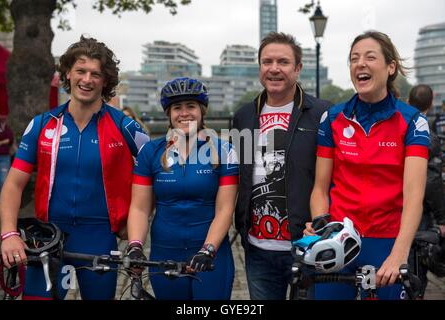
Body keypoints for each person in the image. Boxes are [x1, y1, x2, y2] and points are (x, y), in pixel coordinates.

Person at [0, 35, 149, 300]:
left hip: (99, 236)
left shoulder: (126, 126)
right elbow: (13, 184)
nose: (87, 79)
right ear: (68, 73)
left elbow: (155, 176)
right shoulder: (43, 124)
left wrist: (134, 224)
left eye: (95, 74)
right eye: (80, 71)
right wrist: (9, 233)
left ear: (105, 81)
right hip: (48, 237)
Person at [308, 31, 430, 300]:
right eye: (354, 59)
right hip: (339, 238)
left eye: (369, 57)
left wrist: (399, 254)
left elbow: (414, 198)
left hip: (387, 240)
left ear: (390, 67)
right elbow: (320, 188)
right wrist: (321, 226)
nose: (359, 63)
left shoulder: (413, 121)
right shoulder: (333, 118)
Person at [232, 32, 331, 300]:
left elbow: (335, 178)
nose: (274, 69)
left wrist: (323, 222)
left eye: (283, 62)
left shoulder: (324, 114)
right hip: (257, 248)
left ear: (298, 68)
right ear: (260, 67)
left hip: (308, 244)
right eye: (267, 62)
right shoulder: (243, 116)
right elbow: (241, 175)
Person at [126, 77, 238, 300]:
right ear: (169, 113)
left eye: (191, 106)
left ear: (202, 111)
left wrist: (208, 250)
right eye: (177, 107)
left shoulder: (225, 150)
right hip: (164, 252)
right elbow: (139, 208)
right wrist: (135, 246)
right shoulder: (150, 152)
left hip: (210, 253)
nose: (184, 113)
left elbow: (225, 209)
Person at [407, 84, 445, 298]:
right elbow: (431, 181)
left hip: (396, 207)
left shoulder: (400, 127)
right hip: (419, 211)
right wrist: (442, 218)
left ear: (409, 101)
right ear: (430, 104)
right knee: (416, 265)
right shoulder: (426, 135)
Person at [0, 107, 14, 216]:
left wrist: (0, 143)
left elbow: (10, 138)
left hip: (3, 157)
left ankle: (1, 205)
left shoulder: (3, 126)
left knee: (2, 181)